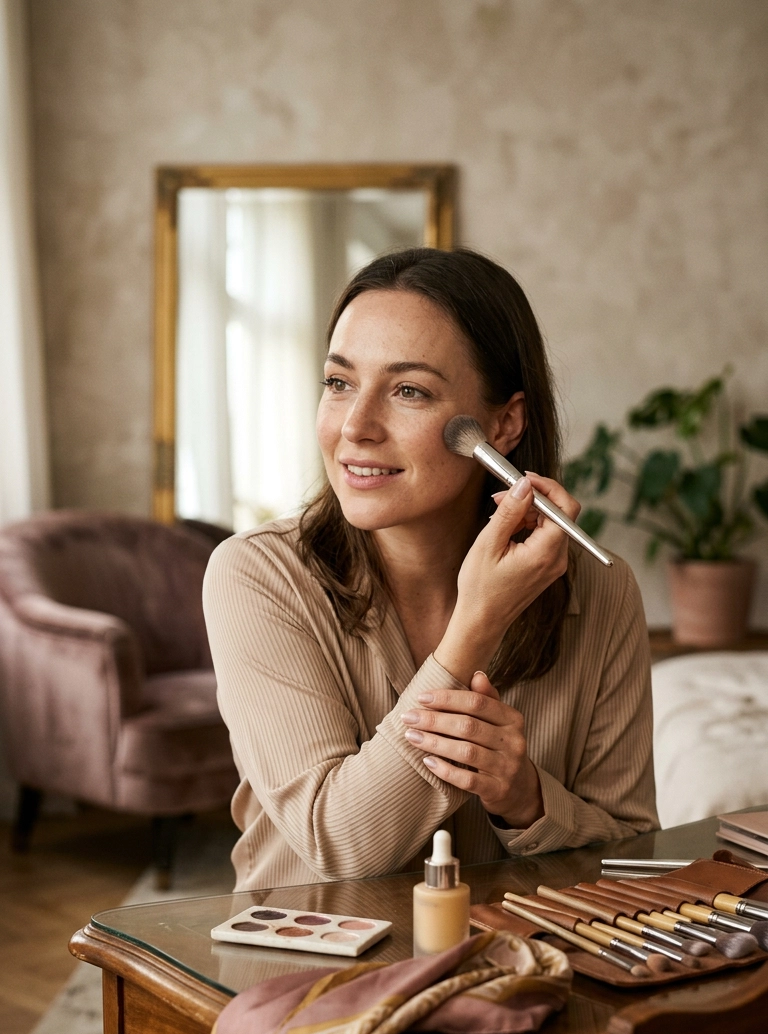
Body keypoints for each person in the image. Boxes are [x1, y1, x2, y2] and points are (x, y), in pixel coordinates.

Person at [203, 247, 658, 891]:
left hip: (521, 971)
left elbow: (635, 860)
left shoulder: (601, 590)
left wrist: (527, 800)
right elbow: (340, 845)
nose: (355, 427)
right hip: (314, 978)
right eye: (339, 383)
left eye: (409, 391)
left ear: (504, 424)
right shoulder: (257, 577)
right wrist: (477, 623)